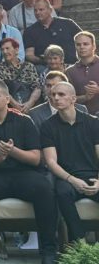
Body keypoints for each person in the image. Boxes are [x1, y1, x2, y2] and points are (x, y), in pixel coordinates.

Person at [0, 80, 57, 264]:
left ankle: (48, 249)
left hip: (23, 174)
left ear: (7, 99)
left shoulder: (24, 121)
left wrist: (13, 151)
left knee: (45, 187)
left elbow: (36, 158)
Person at [41, 81, 99, 244]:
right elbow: (51, 162)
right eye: (53, 95)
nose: (55, 98)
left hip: (93, 175)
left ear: (73, 99)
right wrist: (72, 180)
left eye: (61, 94)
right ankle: (80, 243)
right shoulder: (47, 126)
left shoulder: (93, 122)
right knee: (62, 193)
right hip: (67, 178)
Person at [0, 38, 42, 111]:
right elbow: (1, 89)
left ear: (16, 50)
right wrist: (15, 105)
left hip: (30, 105)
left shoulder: (29, 66)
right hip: (9, 106)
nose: (5, 52)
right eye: (2, 49)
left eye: (7, 48)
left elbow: (37, 87)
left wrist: (29, 103)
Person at [68, 31, 99, 115]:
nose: (82, 47)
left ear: (94, 46)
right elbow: (67, 98)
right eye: (78, 44)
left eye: (86, 44)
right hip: (81, 117)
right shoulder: (70, 71)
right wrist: (85, 97)